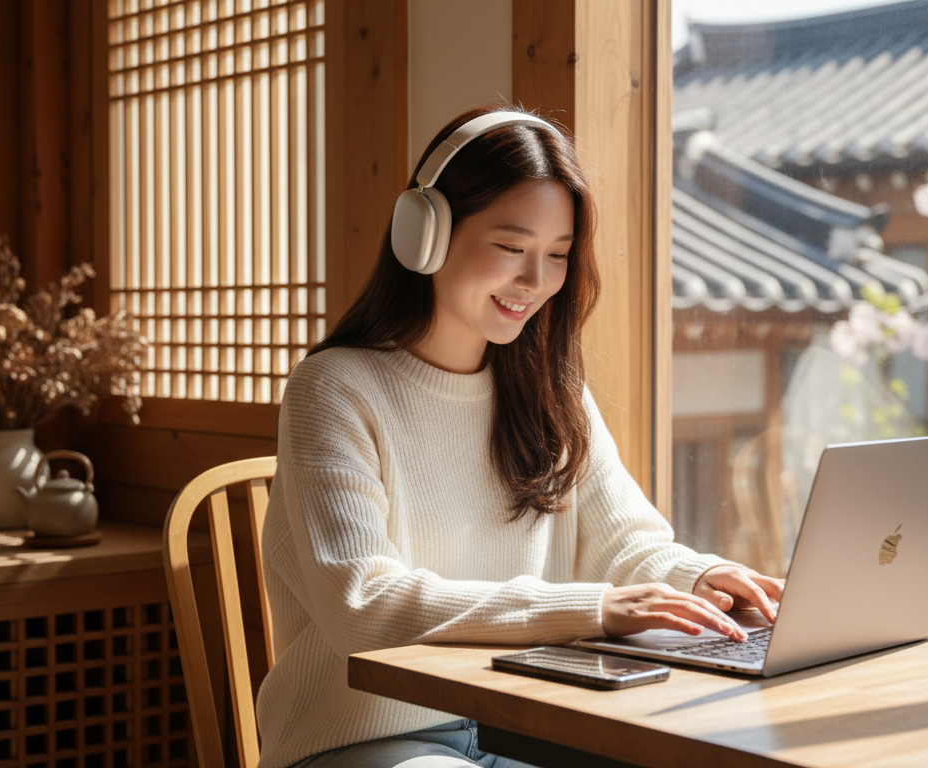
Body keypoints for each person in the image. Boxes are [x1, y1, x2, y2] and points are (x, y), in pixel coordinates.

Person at [256, 106, 785, 768]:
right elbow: (363, 607)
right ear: (426, 231)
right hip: (363, 741)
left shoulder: (550, 391)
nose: (536, 283)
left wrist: (703, 577)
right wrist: (597, 609)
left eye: (557, 256)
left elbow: (625, 544)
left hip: (521, 722)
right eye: (511, 248)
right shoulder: (333, 389)